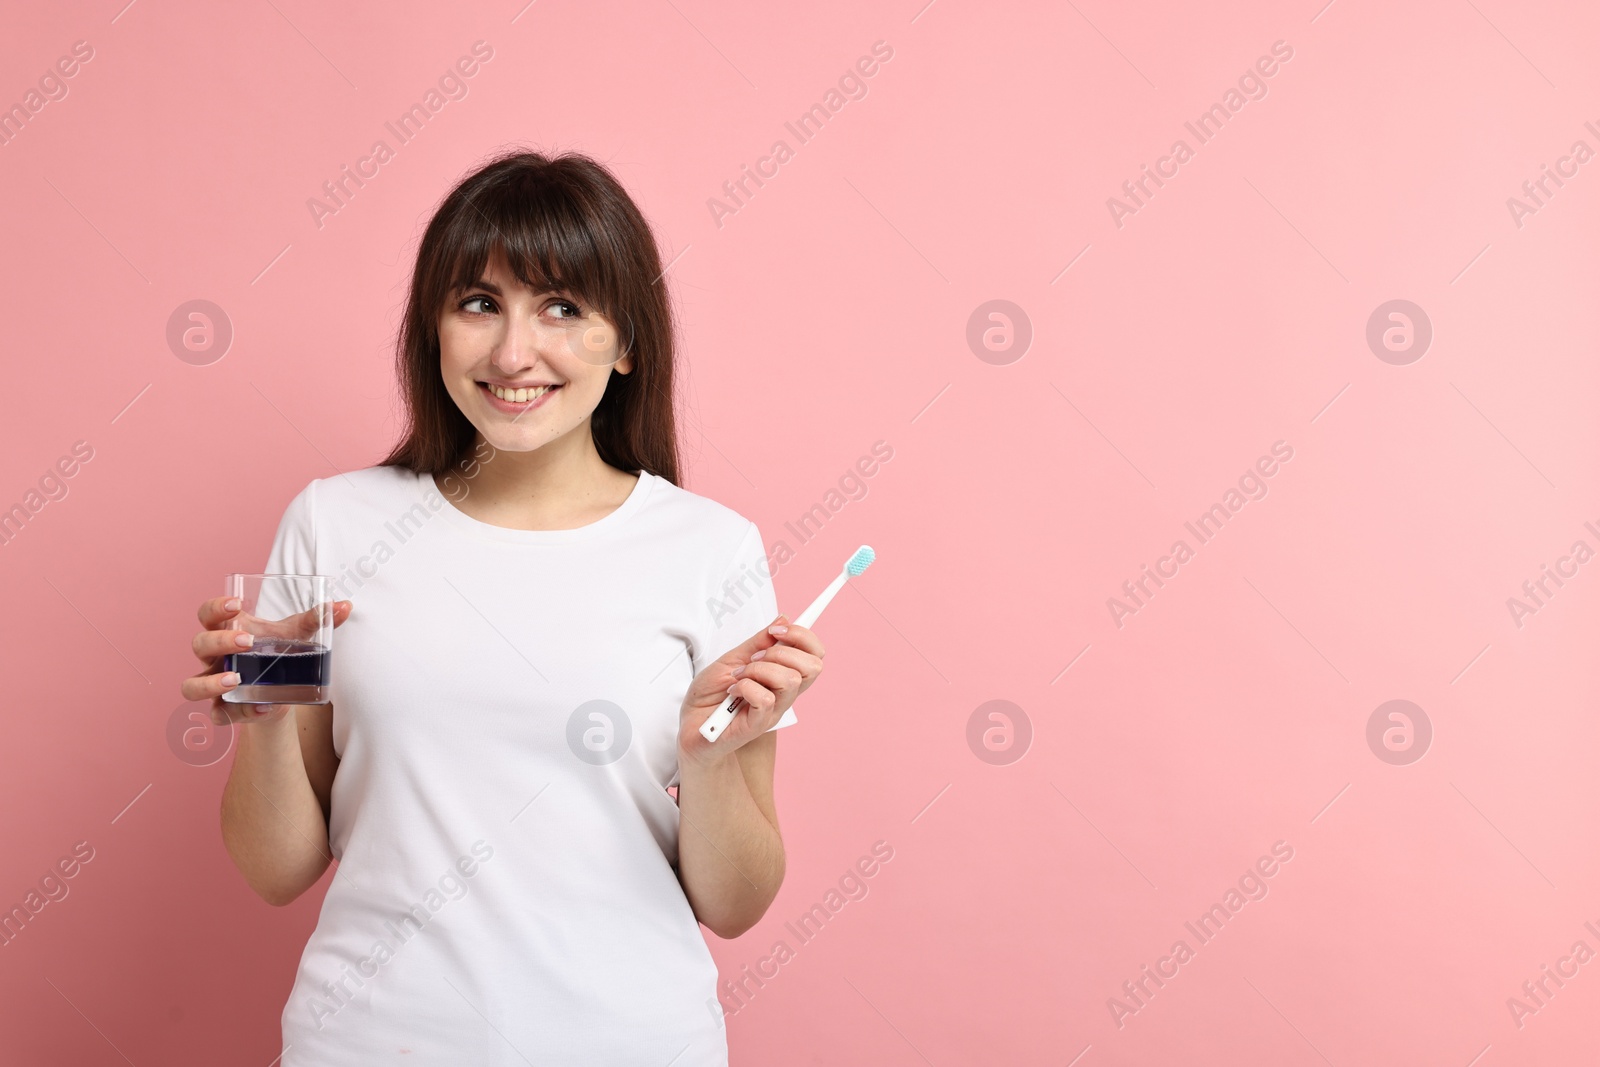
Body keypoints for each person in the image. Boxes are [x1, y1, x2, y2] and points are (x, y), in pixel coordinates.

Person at [180, 149, 822, 1065]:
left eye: (563, 307)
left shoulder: (709, 548)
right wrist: (264, 720)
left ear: (628, 341)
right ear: (432, 328)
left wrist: (709, 759)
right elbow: (276, 869)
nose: (514, 352)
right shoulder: (334, 522)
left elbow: (736, 902)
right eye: (479, 303)